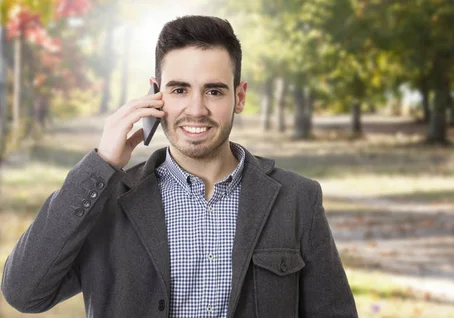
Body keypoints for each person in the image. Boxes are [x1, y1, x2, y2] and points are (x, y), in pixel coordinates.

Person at [1, 15, 358, 317]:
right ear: (156, 94)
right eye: (179, 90)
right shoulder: (106, 201)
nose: (197, 109)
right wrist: (101, 165)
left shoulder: (298, 199)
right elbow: (23, 292)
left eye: (214, 91)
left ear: (240, 96)